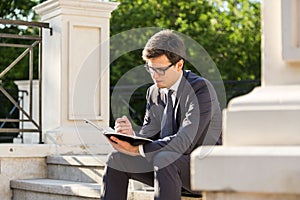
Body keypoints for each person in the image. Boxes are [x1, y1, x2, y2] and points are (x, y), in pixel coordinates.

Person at [100, 29, 222, 200]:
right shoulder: (153, 92)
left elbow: (184, 142)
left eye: (160, 70)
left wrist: (138, 148)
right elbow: (150, 136)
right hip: (166, 168)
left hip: (203, 171)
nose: (154, 76)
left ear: (179, 65)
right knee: (116, 158)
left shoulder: (201, 89)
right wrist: (132, 138)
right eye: (150, 69)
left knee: (164, 158)